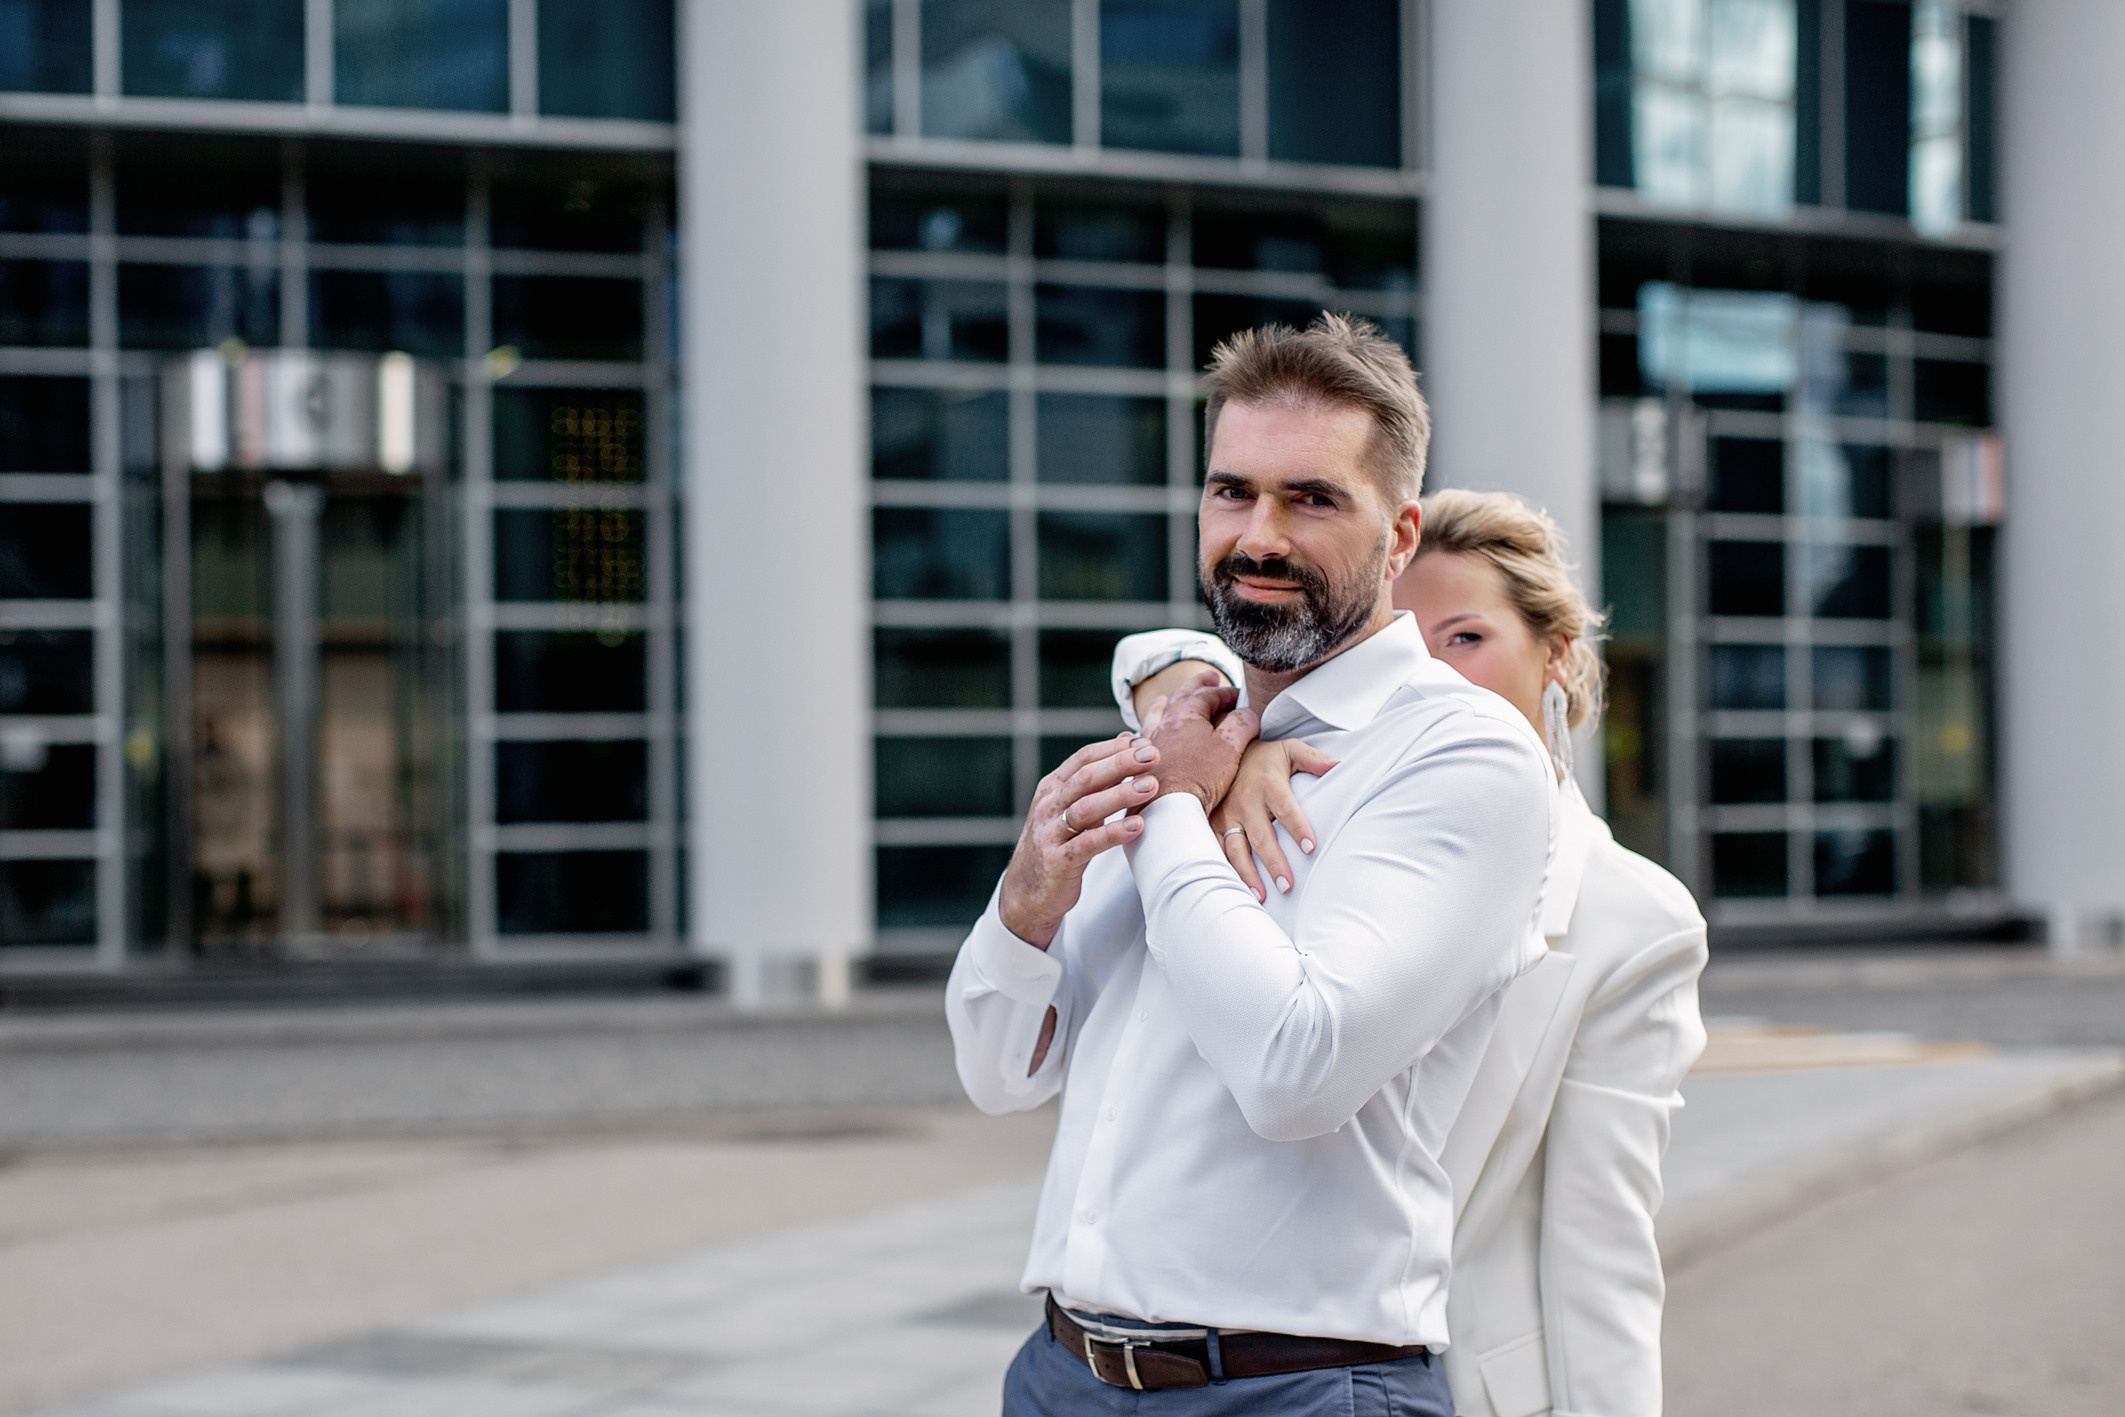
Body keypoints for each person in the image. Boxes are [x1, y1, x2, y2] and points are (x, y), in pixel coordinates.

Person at [946, 315, 1556, 1416]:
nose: (1258, 534)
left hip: (1297, 1390)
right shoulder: (1194, 718)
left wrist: (1178, 802)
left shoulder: (1461, 754)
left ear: (1401, 533)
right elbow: (998, 1072)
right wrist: (1026, 905)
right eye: (1232, 492)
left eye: (1310, 499)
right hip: (1060, 1375)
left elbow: (1293, 1070)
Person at [1115, 488, 1708, 1417]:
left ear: (1554, 653)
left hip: (1448, 1381)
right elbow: (1154, 656)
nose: (1427, 673)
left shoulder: (1630, 918)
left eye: (1465, 638)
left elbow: (1603, 1255)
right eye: (1408, 642)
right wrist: (1244, 744)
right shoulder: (1302, 802)